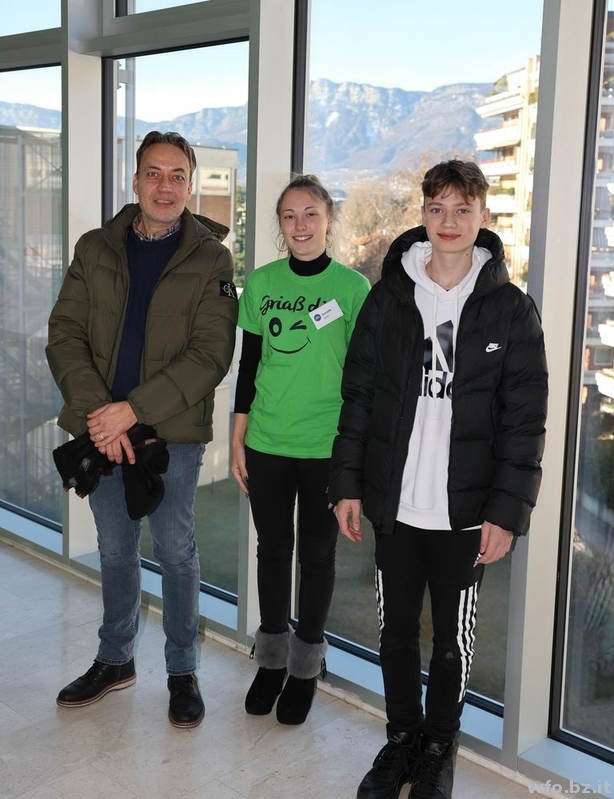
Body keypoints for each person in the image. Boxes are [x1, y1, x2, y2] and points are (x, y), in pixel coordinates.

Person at [328, 160, 548, 799]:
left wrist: (506, 512)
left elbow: (525, 422)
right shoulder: (389, 297)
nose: (448, 221)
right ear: (423, 214)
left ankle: (437, 748)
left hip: (466, 512)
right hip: (396, 504)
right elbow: (358, 397)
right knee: (395, 633)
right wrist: (347, 484)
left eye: (462, 209)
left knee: (452, 642)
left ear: (483, 217)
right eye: (437, 208)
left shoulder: (511, 310)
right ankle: (401, 738)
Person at [46, 130, 238, 729]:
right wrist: (100, 416)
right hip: (101, 430)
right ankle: (115, 660)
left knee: (176, 551)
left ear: (190, 185)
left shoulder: (212, 258)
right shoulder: (95, 247)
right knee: (114, 548)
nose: (165, 186)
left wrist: (132, 410)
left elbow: (212, 354)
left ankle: (182, 670)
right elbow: (65, 334)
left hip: (170, 434)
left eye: (178, 175)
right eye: (154, 173)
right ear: (135, 180)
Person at [231, 174, 370, 725]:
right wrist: (238, 438)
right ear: (279, 224)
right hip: (266, 441)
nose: (300, 225)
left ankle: (306, 667)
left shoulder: (353, 289)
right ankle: (270, 661)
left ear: (329, 219)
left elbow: (364, 381)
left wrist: (354, 456)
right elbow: (249, 367)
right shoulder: (261, 283)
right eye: (289, 215)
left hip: (324, 447)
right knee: (271, 550)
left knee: (316, 555)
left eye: (310, 213)